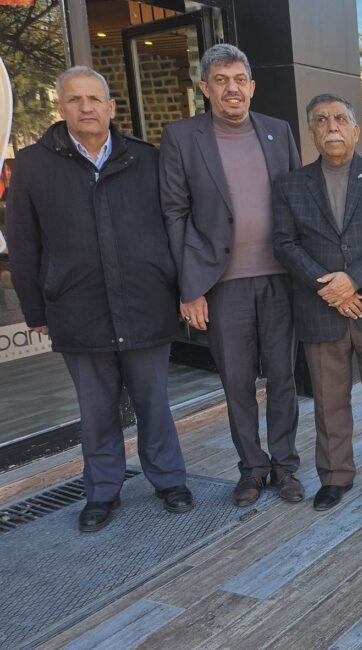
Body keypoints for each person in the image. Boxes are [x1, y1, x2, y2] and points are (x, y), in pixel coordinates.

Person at [6, 66, 192, 531]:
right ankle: (102, 491)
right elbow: (25, 246)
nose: (86, 107)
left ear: (111, 107)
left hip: (146, 303)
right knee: (96, 410)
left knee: (154, 403)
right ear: (60, 107)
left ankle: (169, 480)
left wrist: (180, 288)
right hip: (77, 308)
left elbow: (175, 228)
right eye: (75, 100)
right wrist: (35, 309)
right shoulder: (31, 165)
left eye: (94, 99)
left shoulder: (146, 158)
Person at [160, 44, 303, 507]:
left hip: (281, 278)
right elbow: (175, 213)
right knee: (237, 383)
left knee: (282, 378)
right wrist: (190, 287)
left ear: (252, 86)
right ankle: (252, 469)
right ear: (205, 88)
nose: (232, 89)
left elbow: (299, 202)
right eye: (221, 81)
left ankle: (285, 466)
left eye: (239, 79)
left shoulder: (278, 132)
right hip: (222, 285)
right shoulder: (182, 137)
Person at [272, 94, 362, 512]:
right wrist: (327, 288)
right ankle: (335, 476)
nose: (331, 125)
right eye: (321, 120)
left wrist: (354, 281)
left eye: (340, 118)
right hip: (319, 309)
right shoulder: (290, 184)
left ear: (355, 129)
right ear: (311, 132)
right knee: (329, 402)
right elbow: (284, 242)